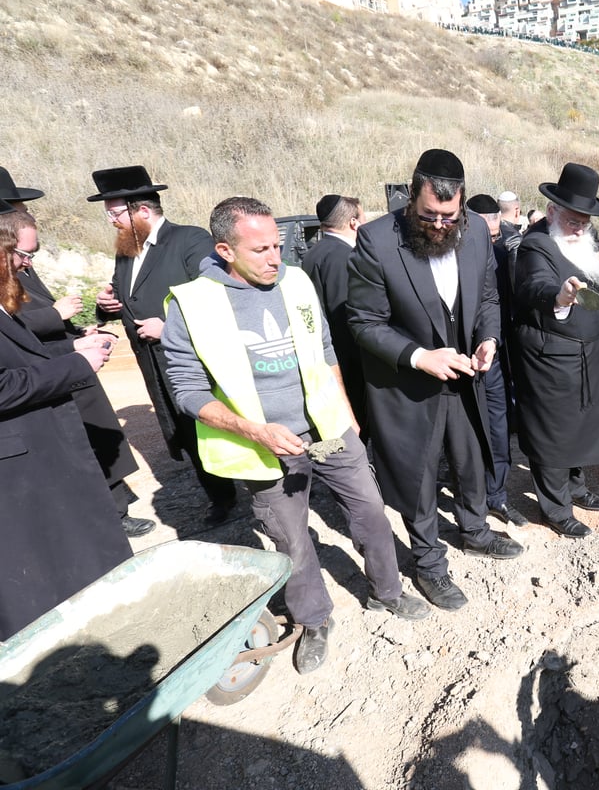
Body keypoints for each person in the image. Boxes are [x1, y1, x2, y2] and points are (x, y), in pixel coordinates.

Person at [162, 196, 430, 675]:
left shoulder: (297, 281)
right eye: (260, 250)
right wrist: (252, 430)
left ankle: (388, 592)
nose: (274, 259)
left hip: (326, 433)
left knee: (369, 509)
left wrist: (346, 418)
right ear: (225, 249)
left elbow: (325, 352)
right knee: (292, 539)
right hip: (267, 448)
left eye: (278, 246)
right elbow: (185, 389)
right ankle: (314, 619)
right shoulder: (193, 303)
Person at [348, 150, 523, 612]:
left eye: (450, 215)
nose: (441, 225)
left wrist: (488, 338)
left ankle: (475, 530)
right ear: (412, 198)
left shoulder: (477, 237)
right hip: (408, 383)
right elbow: (363, 322)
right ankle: (428, 564)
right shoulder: (375, 240)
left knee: (470, 463)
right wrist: (420, 356)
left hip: (466, 376)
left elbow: (488, 298)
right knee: (419, 477)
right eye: (430, 215)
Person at [0, 200, 133, 641]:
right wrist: (75, 366)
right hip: (23, 464)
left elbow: (20, 356)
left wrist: (73, 349)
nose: (25, 265)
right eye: (22, 255)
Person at [90, 165, 238, 525]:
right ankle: (221, 496)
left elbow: (219, 296)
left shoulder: (190, 240)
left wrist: (170, 325)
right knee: (187, 433)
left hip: (194, 360)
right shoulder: (126, 250)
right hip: (154, 364)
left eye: (114, 212)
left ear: (142, 210)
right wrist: (106, 305)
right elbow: (124, 292)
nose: (111, 220)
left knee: (215, 423)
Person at [8, 210, 154, 538]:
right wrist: (55, 316)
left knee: (97, 437)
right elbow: (18, 328)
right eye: (24, 253)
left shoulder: (22, 266)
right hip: (46, 368)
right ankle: (108, 514)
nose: (28, 261)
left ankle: (116, 504)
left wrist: (78, 332)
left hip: (66, 360)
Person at [510, 163, 599, 538]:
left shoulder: (584, 241)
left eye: (584, 222)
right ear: (553, 211)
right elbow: (533, 285)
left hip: (586, 356)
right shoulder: (536, 245)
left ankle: (575, 487)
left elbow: (597, 288)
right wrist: (558, 295)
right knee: (553, 433)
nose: (579, 227)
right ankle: (556, 509)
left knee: (580, 426)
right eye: (573, 220)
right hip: (550, 359)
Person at [465, 192, 528, 528]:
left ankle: (497, 495)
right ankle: (470, 499)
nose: (492, 241)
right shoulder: (454, 253)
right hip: (461, 357)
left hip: (497, 353)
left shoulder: (505, 251)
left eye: (495, 235)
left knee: (499, 426)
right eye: (486, 236)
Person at [301, 194, 367, 437]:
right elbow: (344, 312)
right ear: (353, 222)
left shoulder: (314, 252)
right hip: (346, 359)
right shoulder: (343, 256)